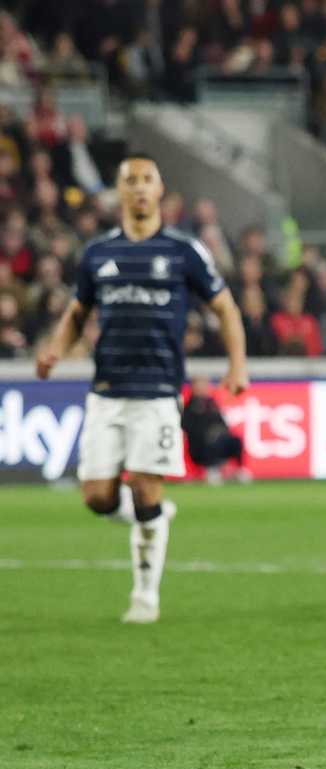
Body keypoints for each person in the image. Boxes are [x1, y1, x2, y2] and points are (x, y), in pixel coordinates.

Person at [34, 153, 249, 624]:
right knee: (97, 498)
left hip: (157, 391)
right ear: (119, 192)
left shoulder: (183, 250)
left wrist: (237, 365)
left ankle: (145, 596)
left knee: (146, 489)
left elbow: (226, 308)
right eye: (129, 180)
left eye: (146, 179)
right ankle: (149, 519)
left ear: (159, 190)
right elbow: (76, 313)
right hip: (107, 388)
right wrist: (54, 349)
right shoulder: (98, 253)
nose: (138, 187)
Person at [181, 375, 250, 485]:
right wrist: (208, 433)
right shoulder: (189, 406)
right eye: (199, 386)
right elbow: (187, 428)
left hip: (218, 440)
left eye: (204, 385)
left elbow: (223, 424)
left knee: (235, 440)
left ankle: (239, 471)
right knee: (210, 440)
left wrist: (219, 431)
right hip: (200, 445)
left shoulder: (212, 404)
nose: (203, 389)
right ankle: (212, 470)